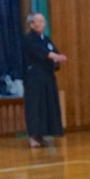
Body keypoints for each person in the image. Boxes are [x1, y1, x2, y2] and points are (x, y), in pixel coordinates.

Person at [22, 13, 67, 148]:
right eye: (39, 21)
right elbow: (43, 53)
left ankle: (44, 134)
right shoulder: (29, 40)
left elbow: (54, 53)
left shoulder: (46, 39)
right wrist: (55, 56)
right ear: (31, 25)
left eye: (43, 21)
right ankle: (34, 136)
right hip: (34, 78)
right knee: (36, 106)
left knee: (48, 105)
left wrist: (56, 59)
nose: (42, 24)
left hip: (47, 76)